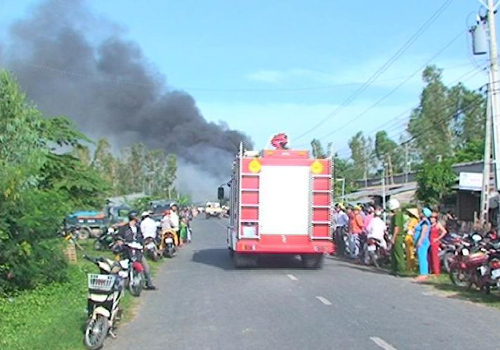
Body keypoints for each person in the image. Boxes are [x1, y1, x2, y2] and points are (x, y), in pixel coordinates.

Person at [117, 212, 156, 290]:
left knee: (146, 267)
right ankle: (121, 284)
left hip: (138, 250)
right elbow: (118, 237)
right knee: (122, 267)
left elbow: (141, 237)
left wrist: (144, 244)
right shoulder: (124, 228)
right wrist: (120, 241)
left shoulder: (138, 228)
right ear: (133, 217)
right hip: (127, 250)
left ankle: (149, 284)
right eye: (136, 217)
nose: (138, 218)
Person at [388, 199, 406, 276]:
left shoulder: (398, 214)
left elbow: (397, 227)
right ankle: (394, 269)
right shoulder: (395, 215)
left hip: (397, 236)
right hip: (395, 235)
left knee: (398, 253)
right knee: (393, 253)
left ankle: (401, 270)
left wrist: (393, 238)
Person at [414, 207, 432, 281]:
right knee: (421, 257)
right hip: (421, 241)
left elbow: (423, 233)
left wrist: (420, 241)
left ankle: (423, 274)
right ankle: (423, 272)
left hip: (423, 241)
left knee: (422, 257)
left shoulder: (425, 222)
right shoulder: (422, 221)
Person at [429, 211, 447, 275]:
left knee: (435, 257)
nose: (431, 219)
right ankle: (432, 270)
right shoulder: (430, 225)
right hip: (430, 242)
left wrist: (438, 238)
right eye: (431, 217)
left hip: (435, 242)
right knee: (430, 257)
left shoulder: (438, 225)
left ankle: (437, 271)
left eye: (433, 217)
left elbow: (444, 231)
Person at [405, 208, 419, 273]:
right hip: (408, 236)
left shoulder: (414, 220)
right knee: (408, 252)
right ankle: (409, 266)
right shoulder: (411, 220)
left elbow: (413, 228)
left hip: (410, 237)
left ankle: (411, 266)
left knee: (410, 252)